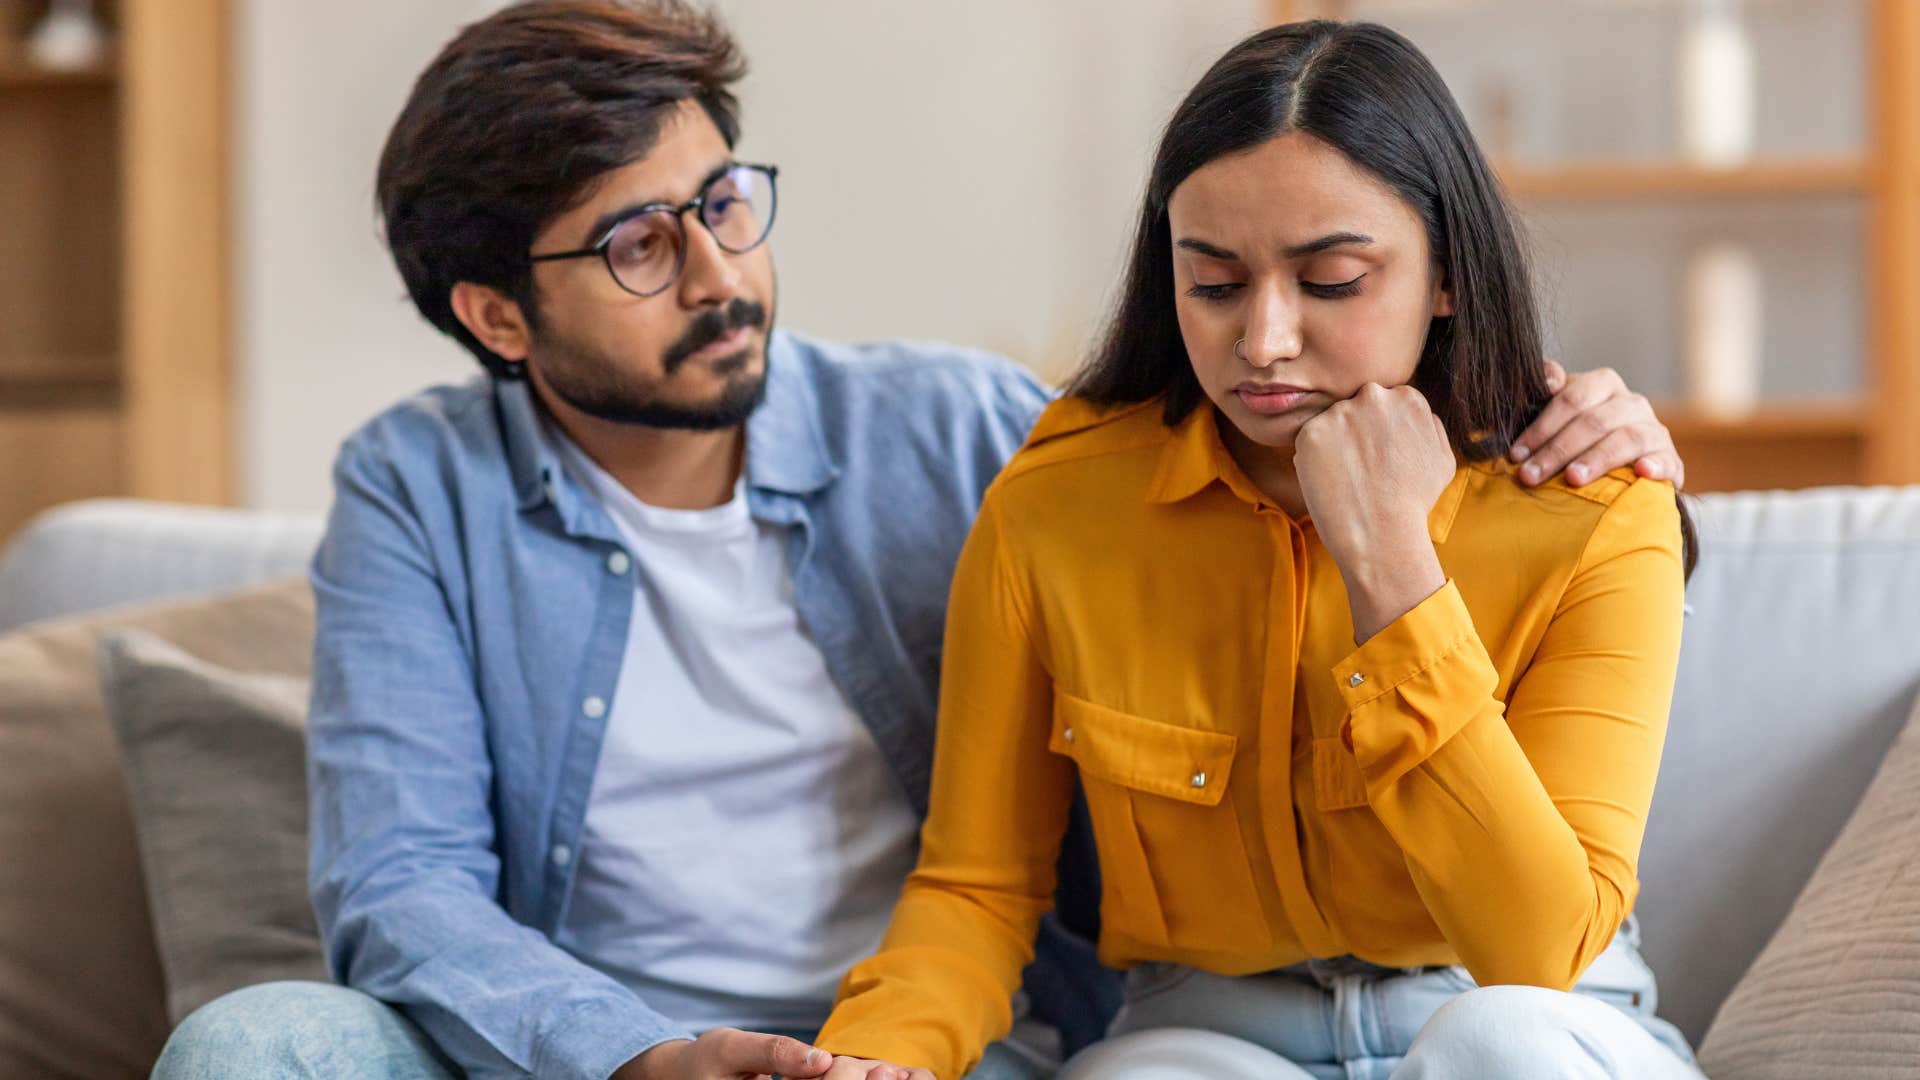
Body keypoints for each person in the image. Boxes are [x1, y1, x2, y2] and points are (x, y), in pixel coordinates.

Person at [150, 5, 1691, 1079]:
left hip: (1030, 1036)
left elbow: (1538, 949)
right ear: (497, 315)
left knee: (1498, 1042)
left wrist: (1505, 487)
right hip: (617, 1043)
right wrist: (637, 1058)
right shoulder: (423, 492)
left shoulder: (961, 430)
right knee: (252, 1045)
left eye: (724, 203)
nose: (719, 273)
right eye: (638, 244)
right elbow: (401, 884)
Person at [812, 19, 1702, 1080]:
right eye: (1215, 283)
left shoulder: (1592, 507)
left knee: (1498, 1044)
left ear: (1449, 274)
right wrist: (862, 1062)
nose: (1264, 340)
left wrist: (1393, 570)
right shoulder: (1057, 506)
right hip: (1211, 1034)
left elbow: (1537, 953)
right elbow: (977, 890)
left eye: (1330, 281)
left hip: (1520, 1016)